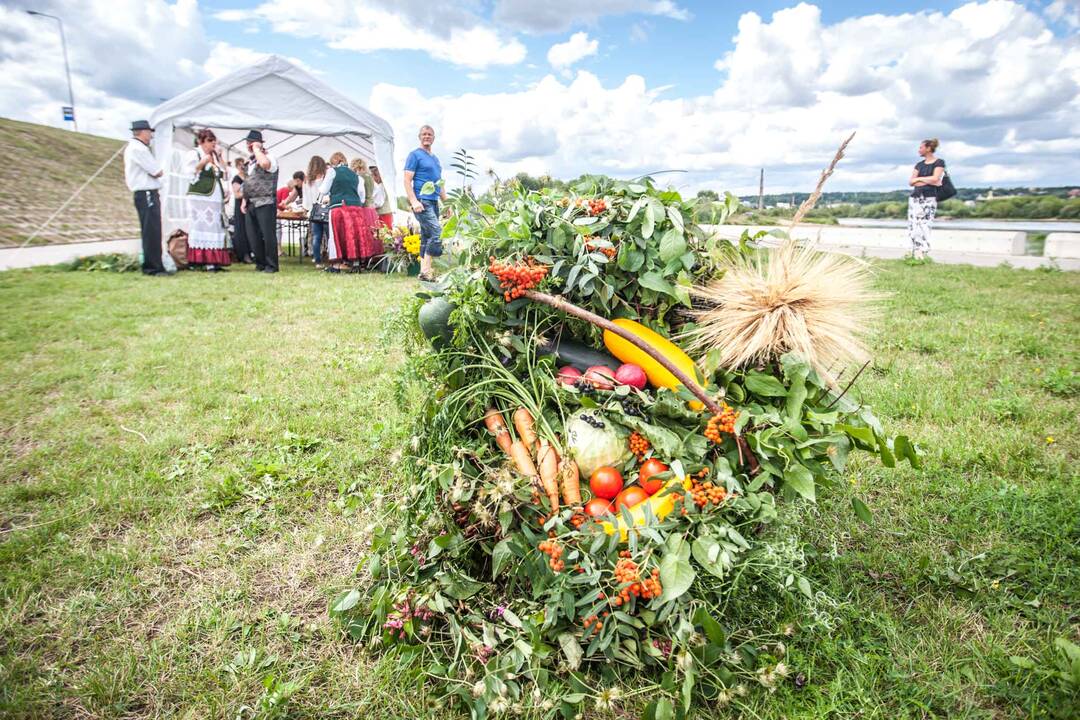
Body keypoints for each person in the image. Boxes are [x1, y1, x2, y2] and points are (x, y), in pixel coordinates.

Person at [317, 151, 382, 272]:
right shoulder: (356, 175)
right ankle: (356, 263)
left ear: (334, 162)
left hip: (339, 207)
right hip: (356, 208)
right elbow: (361, 196)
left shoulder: (332, 172)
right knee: (354, 235)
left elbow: (323, 190)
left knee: (337, 236)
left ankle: (336, 265)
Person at [404, 124, 447, 281]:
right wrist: (414, 201)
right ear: (419, 137)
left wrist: (446, 204)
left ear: (433, 138)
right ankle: (427, 271)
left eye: (429, 134)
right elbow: (407, 180)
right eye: (424, 134)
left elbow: (439, 184)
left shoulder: (435, 159)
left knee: (427, 236)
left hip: (434, 201)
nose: (426, 136)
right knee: (437, 233)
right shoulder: (414, 155)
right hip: (422, 201)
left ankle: (423, 272)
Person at [123, 120, 166, 276]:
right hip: (146, 192)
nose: (151, 135)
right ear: (142, 132)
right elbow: (157, 171)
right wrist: (158, 171)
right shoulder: (138, 149)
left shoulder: (135, 148)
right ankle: (153, 267)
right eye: (149, 132)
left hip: (146, 192)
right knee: (151, 230)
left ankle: (155, 264)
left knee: (152, 229)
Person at [183, 128, 230, 271]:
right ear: (201, 141)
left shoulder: (214, 156)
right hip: (200, 198)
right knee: (201, 227)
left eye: (214, 142)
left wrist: (220, 157)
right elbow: (189, 174)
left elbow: (225, 174)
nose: (212, 144)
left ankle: (214, 261)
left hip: (214, 197)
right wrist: (202, 162)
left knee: (215, 226)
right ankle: (199, 260)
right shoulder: (194, 154)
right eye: (210, 141)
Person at [241, 129, 280, 273]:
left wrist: (257, 149)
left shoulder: (269, 157)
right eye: (248, 143)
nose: (249, 145)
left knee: (267, 234)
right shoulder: (248, 163)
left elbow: (265, 164)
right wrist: (244, 200)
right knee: (253, 235)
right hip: (251, 201)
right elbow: (247, 182)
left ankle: (272, 265)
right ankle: (260, 263)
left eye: (252, 142)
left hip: (266, 201)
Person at [908, 138, 945, 260]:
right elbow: (911, 182)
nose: (919, 150)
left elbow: (936, 179)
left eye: (921, 147)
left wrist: (919, 179)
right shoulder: (919, 165)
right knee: (914, 225)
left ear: (928, 148)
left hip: (930, 198)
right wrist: (927, 180)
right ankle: (916, 251)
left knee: (925, 224)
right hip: (915, 198)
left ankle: (923, 252)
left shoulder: (939, 162)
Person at [305, 155, 330, 268]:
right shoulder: (326, 178)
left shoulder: (307, 181)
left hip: (314, 211)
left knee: (316, 237)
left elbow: (306, 200)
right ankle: (332, 258)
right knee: (329, 236)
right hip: (326, 209)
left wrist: (308, 209)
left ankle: (317, 260)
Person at [230, 158, 252, 263]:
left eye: (243, 165)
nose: (242, 167)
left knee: (250, 230)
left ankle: (252, 252)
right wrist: (248, 193)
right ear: (237, 166)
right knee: (242, 230)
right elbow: (237, 194)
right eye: (239, 165)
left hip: (250, 205)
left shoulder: (248, 176)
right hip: (240, 206)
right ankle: (244, 254)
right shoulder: (236, 178)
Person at [370, 165, 394, 230]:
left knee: (384, 235)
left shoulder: (379, 186)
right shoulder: (384, 185)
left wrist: (369, 205)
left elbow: (379, 203)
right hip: (386, 213)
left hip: (382, 214)